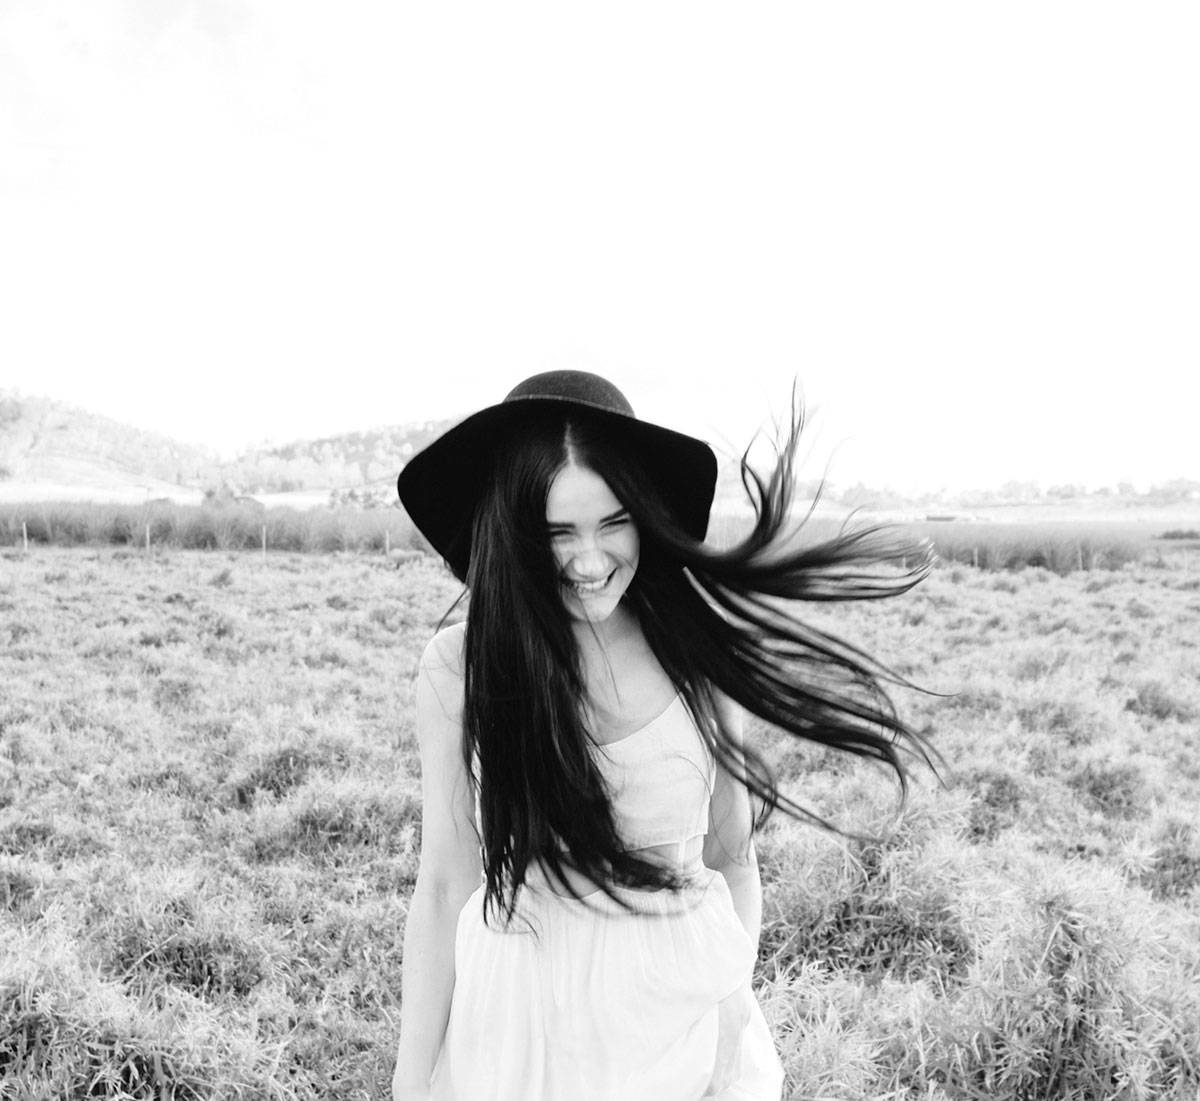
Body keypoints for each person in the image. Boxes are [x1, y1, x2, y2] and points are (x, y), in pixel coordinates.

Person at [391, 371, 934, 1101]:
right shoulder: (461, 665)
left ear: (644, 515)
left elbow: (732, 860)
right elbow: (444, 883)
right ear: (514, 533)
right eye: (557, 533)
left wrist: (729, 1011)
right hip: (522, 1024)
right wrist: (409, 1079)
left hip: (676, 1026)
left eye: (613, 522)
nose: (590, 561)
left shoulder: (695, 651)